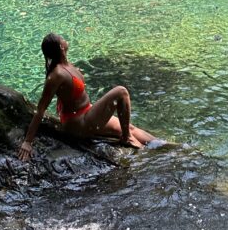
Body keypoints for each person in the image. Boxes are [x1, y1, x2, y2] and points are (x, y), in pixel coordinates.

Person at [19, 33, 156, 161]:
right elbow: (41, 108)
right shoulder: (57, 75)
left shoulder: (66, 65)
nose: (65, 40)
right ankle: (126, 138)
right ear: (61, 47)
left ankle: (162, 145)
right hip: (79, 123)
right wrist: (28, 141)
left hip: (86, 112)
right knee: (121, 92)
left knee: (129, 127)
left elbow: (66, 93)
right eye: (63, 39)